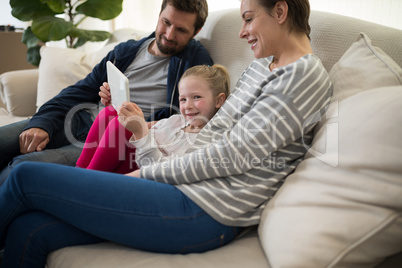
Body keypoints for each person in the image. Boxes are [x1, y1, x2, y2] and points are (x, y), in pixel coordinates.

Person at [0, 0, 333, 267]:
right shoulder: (262, 66)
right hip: (181, 187)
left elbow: (231, 155)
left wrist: (145, 173)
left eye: (248, 19)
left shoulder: (303, 74)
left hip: (207, 210)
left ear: (280, 11)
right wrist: (157, 163)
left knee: (24, 175)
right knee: (30, 230)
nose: (243, 32)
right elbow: (211, 133)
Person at [0, 0, 213, 185]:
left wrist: (136, 118)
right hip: (81, 119)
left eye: (181, 30)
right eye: (166, 22)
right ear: (159, 15)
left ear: (195, 32)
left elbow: (189, 117)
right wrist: (42, 123)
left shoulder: (194, 63)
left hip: (108, 142)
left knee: (20, 167)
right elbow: (77, 92)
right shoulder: (126, 51)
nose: (169, 34)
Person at [75, 64, 229, 173]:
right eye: (183, 99)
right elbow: (142, 125)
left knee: (119, 126)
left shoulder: (207, 141)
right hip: (133, 156)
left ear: (219, 100)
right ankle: (79, 172)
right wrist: (118, 107)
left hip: (145, 169)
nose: (187, 106)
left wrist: (138, 130)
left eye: (196, 97)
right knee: (109, 113)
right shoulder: (177, 120)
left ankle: (85, 182)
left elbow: (166, 171)